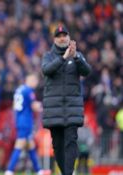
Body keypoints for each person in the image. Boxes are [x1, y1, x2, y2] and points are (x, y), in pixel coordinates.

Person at [41, 25, 91, 175]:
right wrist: (63, 58)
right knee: (57, 145)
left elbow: (87, 71)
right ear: (55, 39)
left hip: (72, 108)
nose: (62, 38)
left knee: (71, 142)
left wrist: (75, 57)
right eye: (59, 36)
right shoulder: (48, 56)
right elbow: (46, 70)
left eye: (65, 35)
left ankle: (69, 174)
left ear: (69, 38)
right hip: (54, 109)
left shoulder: (78, 56)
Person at [4, 74, 43, 175]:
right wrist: (43, 107)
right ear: (30, 80)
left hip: (19, 119)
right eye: (35, 81)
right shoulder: (28, 91)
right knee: (20, 144)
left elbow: (14, 106)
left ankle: (39, 170)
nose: (36, 84)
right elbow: (34, 106)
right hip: (26, 121)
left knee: (30, 145)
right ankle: (9, 170)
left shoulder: (19, 90)